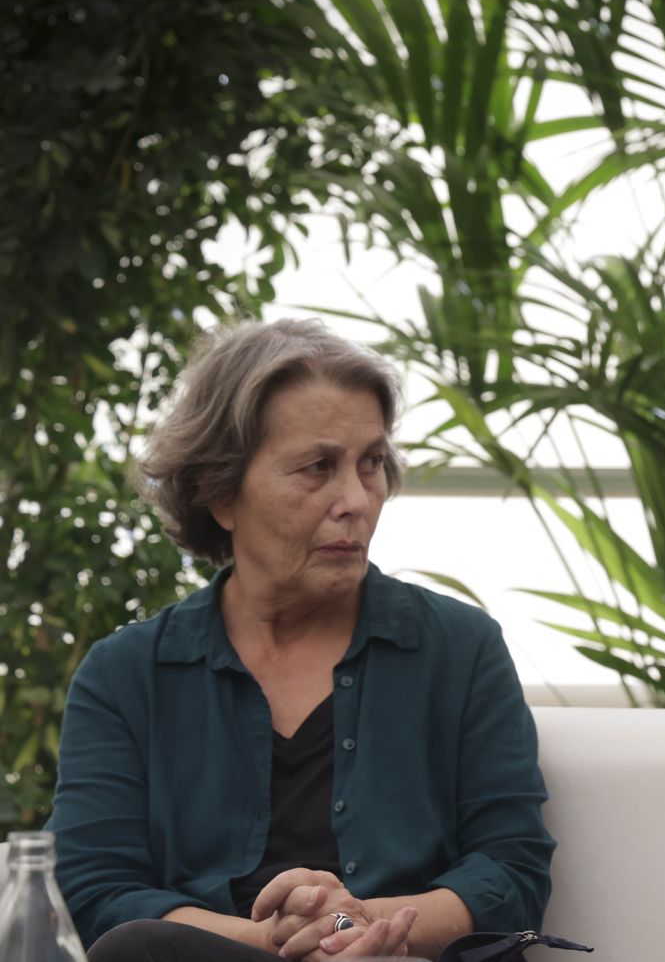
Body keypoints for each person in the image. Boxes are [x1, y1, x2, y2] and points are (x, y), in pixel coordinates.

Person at [45, 318, 556, 962]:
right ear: (218, 492)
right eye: (318, 467)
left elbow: (511, 871)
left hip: (405, 958)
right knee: (136, 949)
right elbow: (95, 889)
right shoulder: (125, 676)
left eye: (371, 464)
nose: (356, 500)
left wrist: (355, 928)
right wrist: (271, 942)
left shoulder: (461, 649)